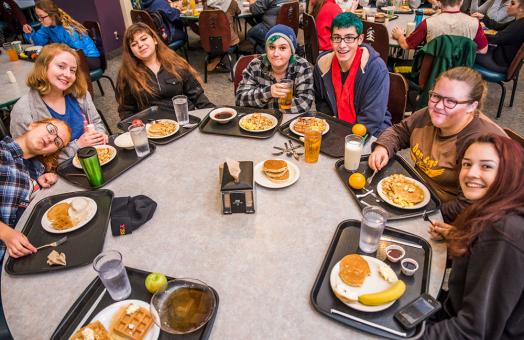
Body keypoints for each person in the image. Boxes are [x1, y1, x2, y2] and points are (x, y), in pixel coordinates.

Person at [368, 67, 507, 222]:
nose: (439, 106)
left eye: (451, 101)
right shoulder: (429, 114)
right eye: (436, 96)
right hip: (416, 196)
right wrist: (383, 148)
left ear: (472, 106)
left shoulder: (481, 143)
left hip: (448, 216)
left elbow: (471, 203)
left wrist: (427, 216)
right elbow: (399, 131)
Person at [423, 134, 524, 339]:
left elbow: (472, 331)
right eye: (467, 164)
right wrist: (463, 238)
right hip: (454, 307)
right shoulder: (494, 209)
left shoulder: (503, 233)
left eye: (486, 166)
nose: (471, 174)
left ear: (509, 172)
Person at [10, 43, 108, 162]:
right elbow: (29, 159)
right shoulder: (24, 109)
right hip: (58, 173)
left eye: (73, 70)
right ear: (44, 67)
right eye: (61, 66)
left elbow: (96, 122)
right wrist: (78, 146)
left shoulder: (80, 94)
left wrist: (99, 135)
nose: (68, 74)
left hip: (93, 157)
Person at [1, 118, 71, 259]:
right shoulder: (3, 152)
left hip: (28, 247)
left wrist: (35, 184)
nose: (51, 138)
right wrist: (5, 233)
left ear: (49, 153)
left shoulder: (36, 170)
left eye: (57, 142)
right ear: (33, 125)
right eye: (51, 130)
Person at [313, 12, 392, 137]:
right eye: (337, 38)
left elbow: (372, 119)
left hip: (371, 133)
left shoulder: (376, 69)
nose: (342, 45)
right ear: (331, 39)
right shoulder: (322, 65)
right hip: (334, 128)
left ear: (360, 39)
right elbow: (321, 102)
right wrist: (331, 125)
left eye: (349, 38)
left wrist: (345, 138)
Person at [116, 23, 214, 119]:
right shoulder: (127, 74)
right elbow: (126, 111)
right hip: (154, 129)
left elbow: (197, 95)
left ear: (155, 40)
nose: (140, 45)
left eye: (144, 39)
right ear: (131, 51)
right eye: (134, 44)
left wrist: (213, 114)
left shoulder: (175, 62)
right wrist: (137, 127)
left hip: (185, 120)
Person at [236, 24, 314, 114]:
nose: (276, 54)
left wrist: (269, 108)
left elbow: (305, 104)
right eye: (272, 47)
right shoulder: (255, 65)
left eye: (282, 48)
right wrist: (269, 92)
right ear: (266, 49)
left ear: (292, 51)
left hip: (290, 123)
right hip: (259, 123)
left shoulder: (302, 66)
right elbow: (240, 100)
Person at [21, 0, 101, 71]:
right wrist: (30, 33)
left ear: (52, 15)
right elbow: (39, 43)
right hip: (72, 58)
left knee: (54, 70)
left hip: (88, 58)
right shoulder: (46, 27)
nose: (39, 20)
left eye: (42, 17)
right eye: (38, 17)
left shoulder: (68, 29)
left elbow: (78, 53)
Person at [391, 0, 488, 54]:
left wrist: (399, 35)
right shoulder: (474, 23)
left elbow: (406, 45)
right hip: (461, 77)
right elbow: (483, 50)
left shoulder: (428, 23)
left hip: (432, 75)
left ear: (439, 1)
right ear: (462, 2)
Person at [474, 0, 524, 73]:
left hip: (499, 62)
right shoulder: (518, 21)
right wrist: (483, 18)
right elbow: (498, 26)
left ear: (522, 9)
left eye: (512, 3)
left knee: (465, 51)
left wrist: (474, 34)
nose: (508, 5)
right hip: (499, 55)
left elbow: (497, 38)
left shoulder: (520, 26)